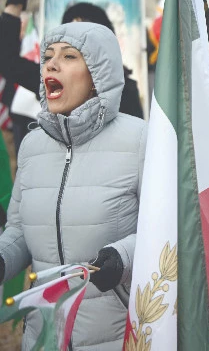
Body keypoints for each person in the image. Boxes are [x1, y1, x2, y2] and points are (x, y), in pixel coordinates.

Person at [0, 21, 147, 350]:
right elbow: (22, 230)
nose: (51, 64)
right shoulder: (32, 146)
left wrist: (122, 257)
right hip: (43, 335)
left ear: (98, 75)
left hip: (118, 335)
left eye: (68, 57)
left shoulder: (140, 139)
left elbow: (169, 230)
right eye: (48, 57)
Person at [0, 0, 145, 120]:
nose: (75, 40)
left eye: (83, 33)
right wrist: (14, 4)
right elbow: (8, 61)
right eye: (68, 34)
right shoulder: (53, 78)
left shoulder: (123, 90)